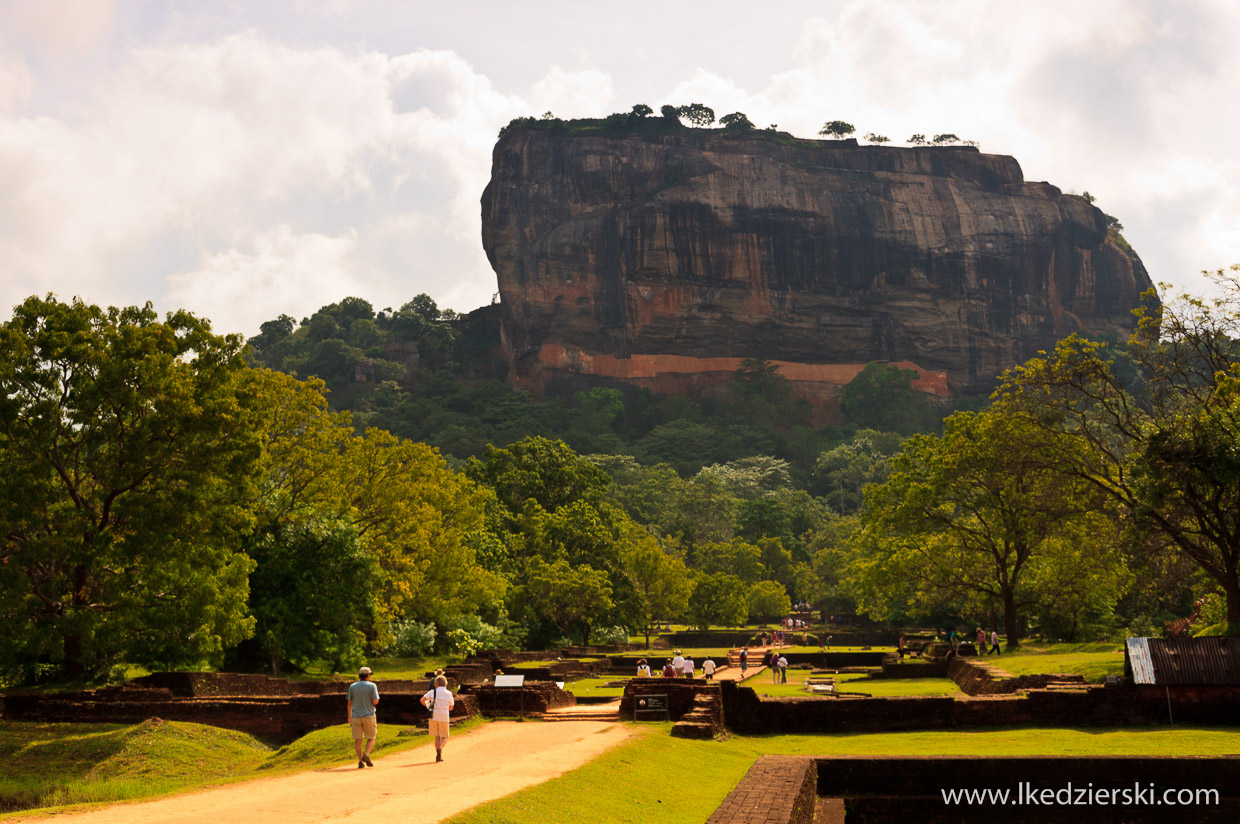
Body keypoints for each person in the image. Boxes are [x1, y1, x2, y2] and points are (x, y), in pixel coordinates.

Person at [347, 666, 380, 769]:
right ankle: (366, 755)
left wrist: (349, 715)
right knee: (371, 737)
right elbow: (375, 701)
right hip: (369, 715)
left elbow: (349, 702)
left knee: (358, 740)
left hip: (355, 716)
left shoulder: (352, 686)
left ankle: (360, 760)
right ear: (368, 675)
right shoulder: (372, 686)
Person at [421, 674, 455, 763]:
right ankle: (440, 749)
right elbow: (451, 707)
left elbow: (422, 700)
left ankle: (438, 754)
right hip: (444, 715)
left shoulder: (433, 692)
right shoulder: (449, 693)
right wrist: (443, 708)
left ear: (437, 684)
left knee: (437, 736)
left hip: (433, 715)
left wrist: (429, 706)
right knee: (445, 736)